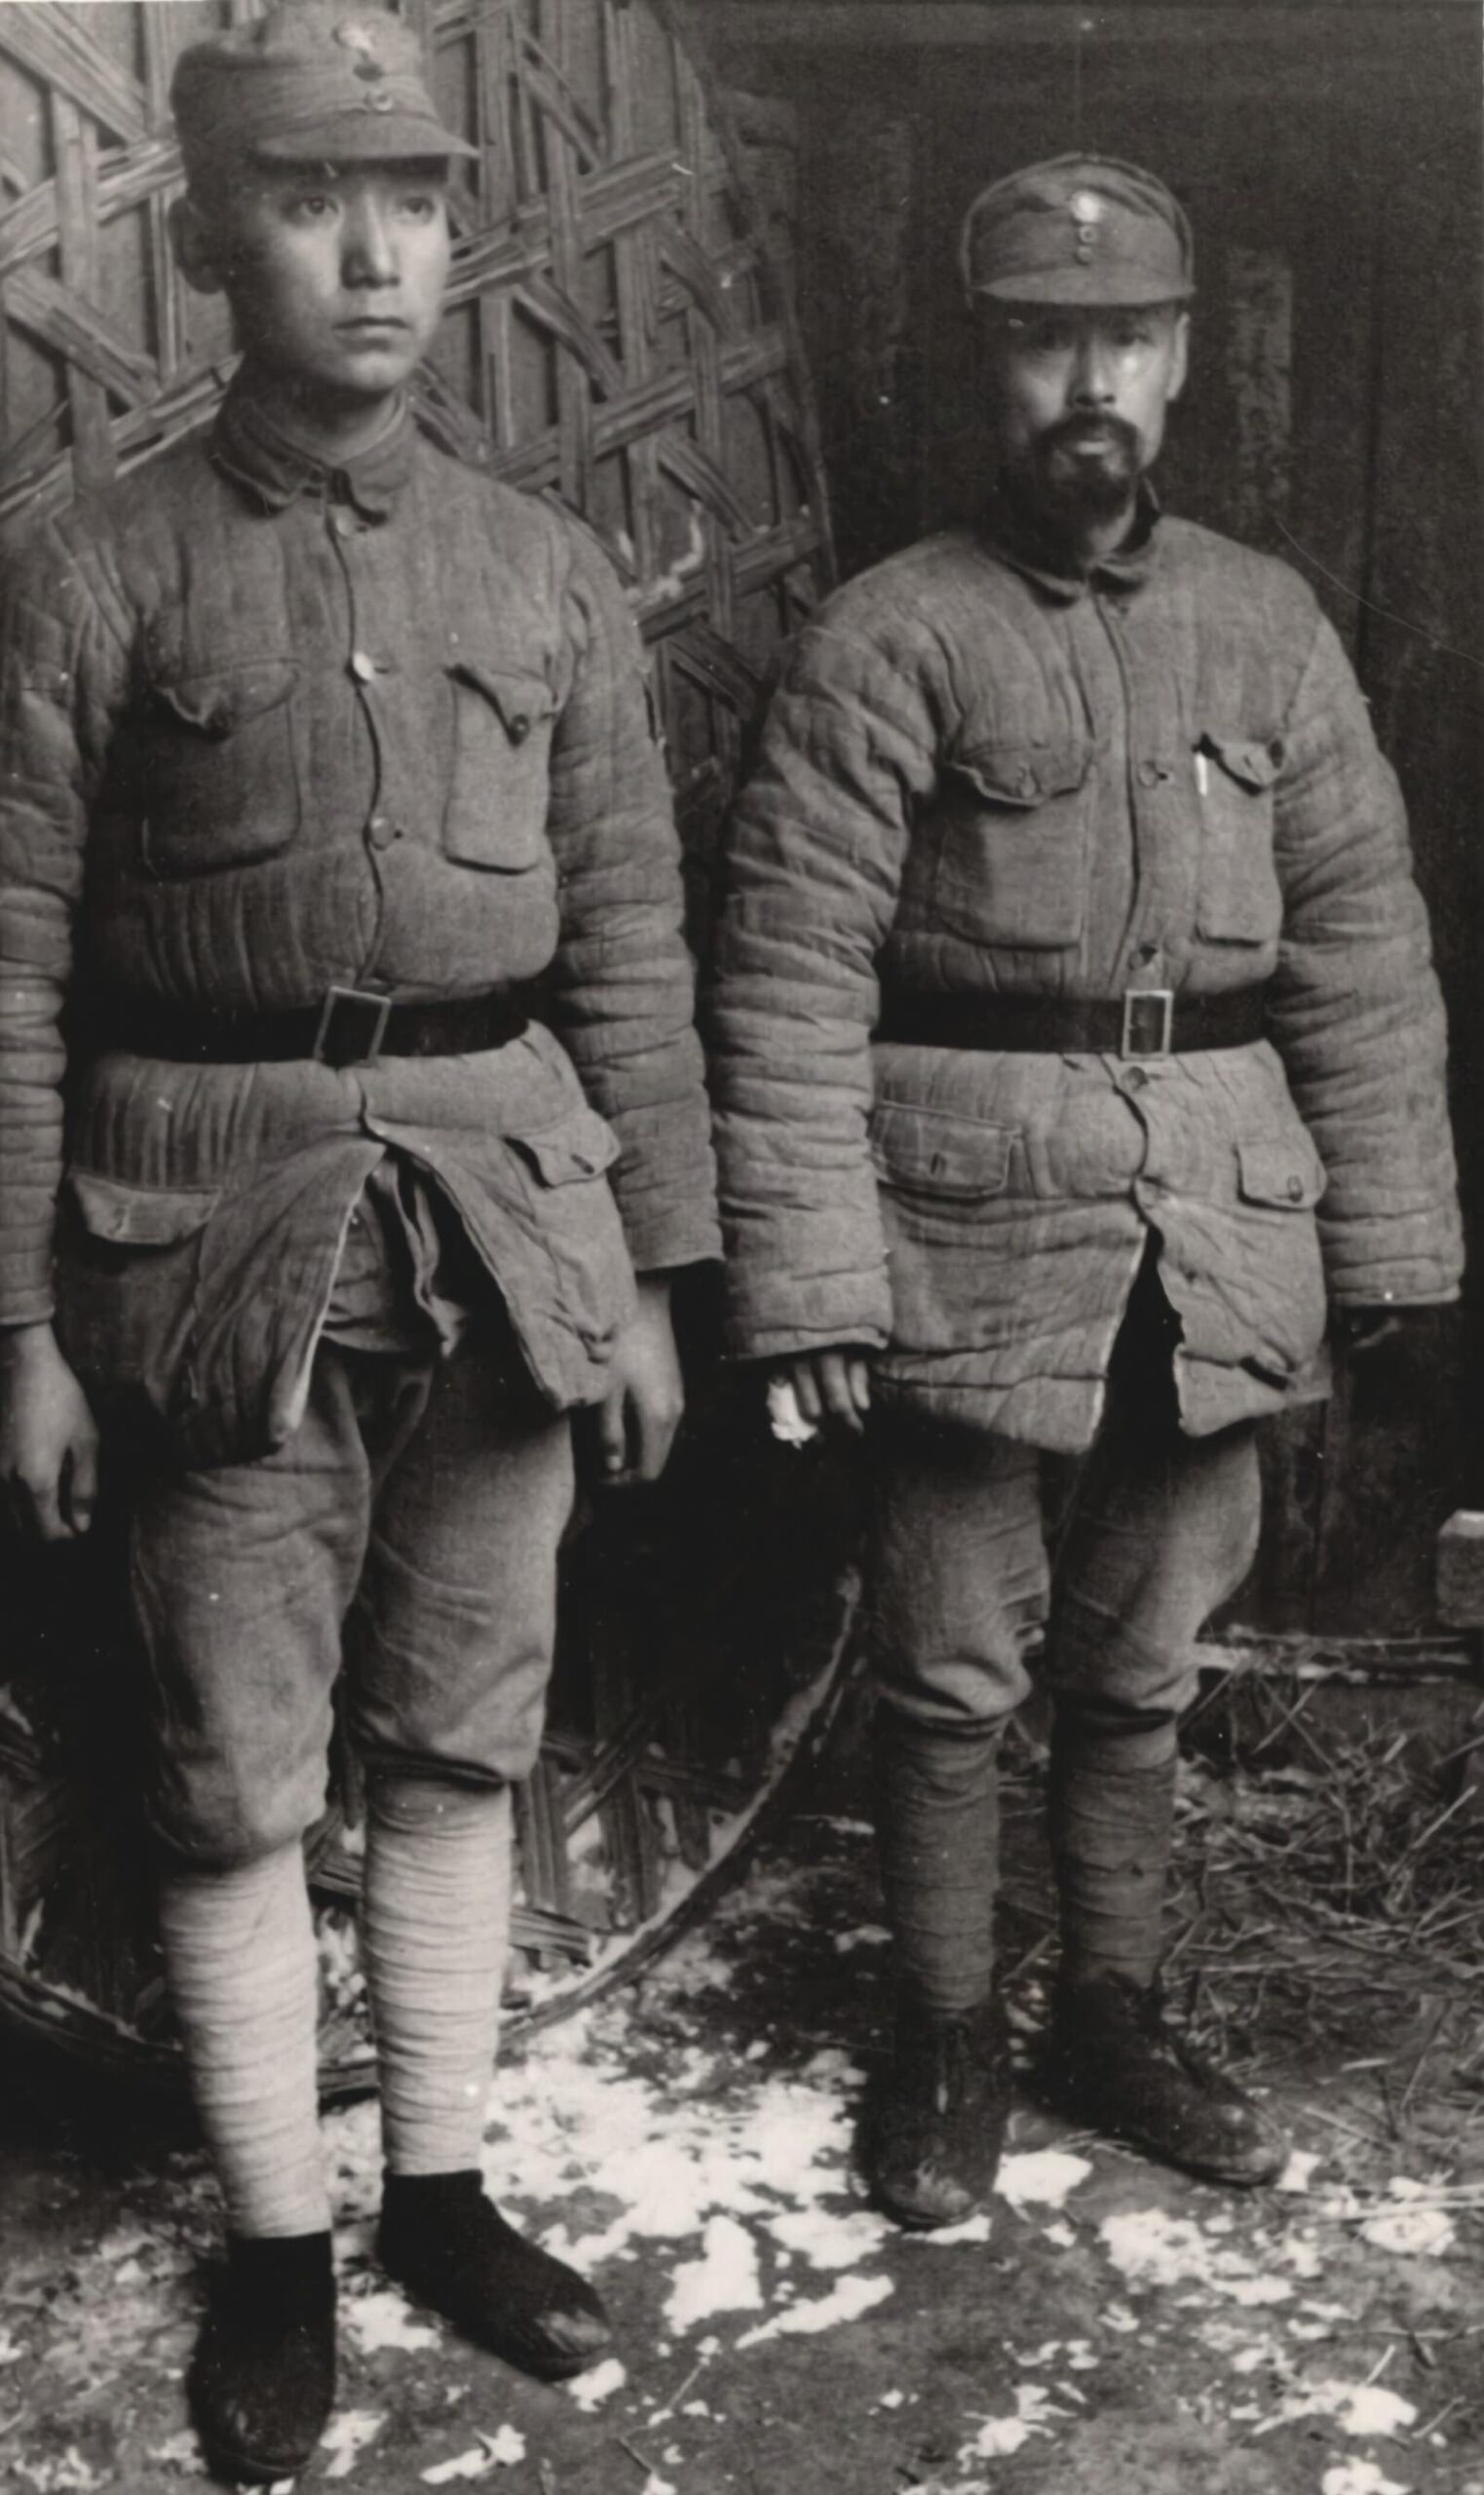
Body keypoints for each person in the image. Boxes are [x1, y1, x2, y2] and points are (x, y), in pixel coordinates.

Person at [0, 6, 717, 2479]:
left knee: (457, 1732)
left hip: (508, 1222)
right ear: (212, 240)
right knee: (228, 1781)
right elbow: (2, 957)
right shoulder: (91, 569)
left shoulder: (543, 566)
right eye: (315, 196)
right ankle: (280, 2243)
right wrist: (21, 1324)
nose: (381, 244)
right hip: (200, 1234)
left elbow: (631, 934)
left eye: (411, 191)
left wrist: (648, 1269)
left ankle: (433, 2192)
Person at [707, 155, 1461, 2230]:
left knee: (1144, 1661)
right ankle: (945, 2028)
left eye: (1126, 336)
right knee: (953, 1663)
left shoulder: (1268, 627)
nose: (1090, 381)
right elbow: (783, 973)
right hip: (959, 1229)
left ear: (1187, 355)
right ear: (991, 362)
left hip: (1216, 1221)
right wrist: (814, 1282)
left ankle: (1111, 2008)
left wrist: (1386, 1237)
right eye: (1047, 338)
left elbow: (1361, 948)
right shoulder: (894, 638)